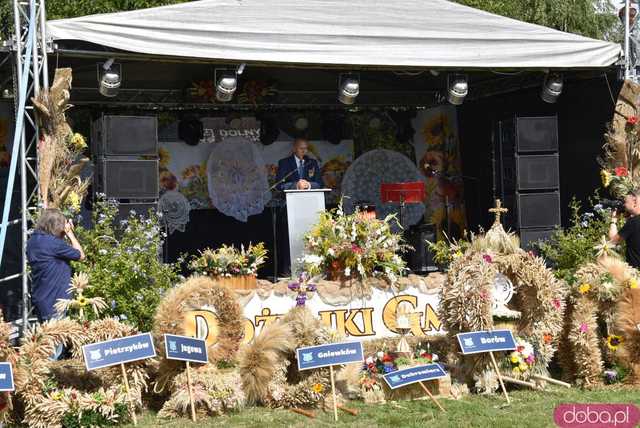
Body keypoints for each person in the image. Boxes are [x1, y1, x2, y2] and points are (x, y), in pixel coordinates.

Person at [27, 209, 85, 324]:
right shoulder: (53, 243)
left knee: (46, 338)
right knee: (57, 340)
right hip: (55, 301)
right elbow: (81, 256)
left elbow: (51, 256)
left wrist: (61, 234)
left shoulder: (32, 241)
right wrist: (69, 233)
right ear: (56, 225)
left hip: (41, 298)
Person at [609, 191, 640, 269]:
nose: (624, 205)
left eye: (625, 202)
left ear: (635, 201)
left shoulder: (633, 222)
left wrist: (614, 220)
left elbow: (613, 241)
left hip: (636, 274)